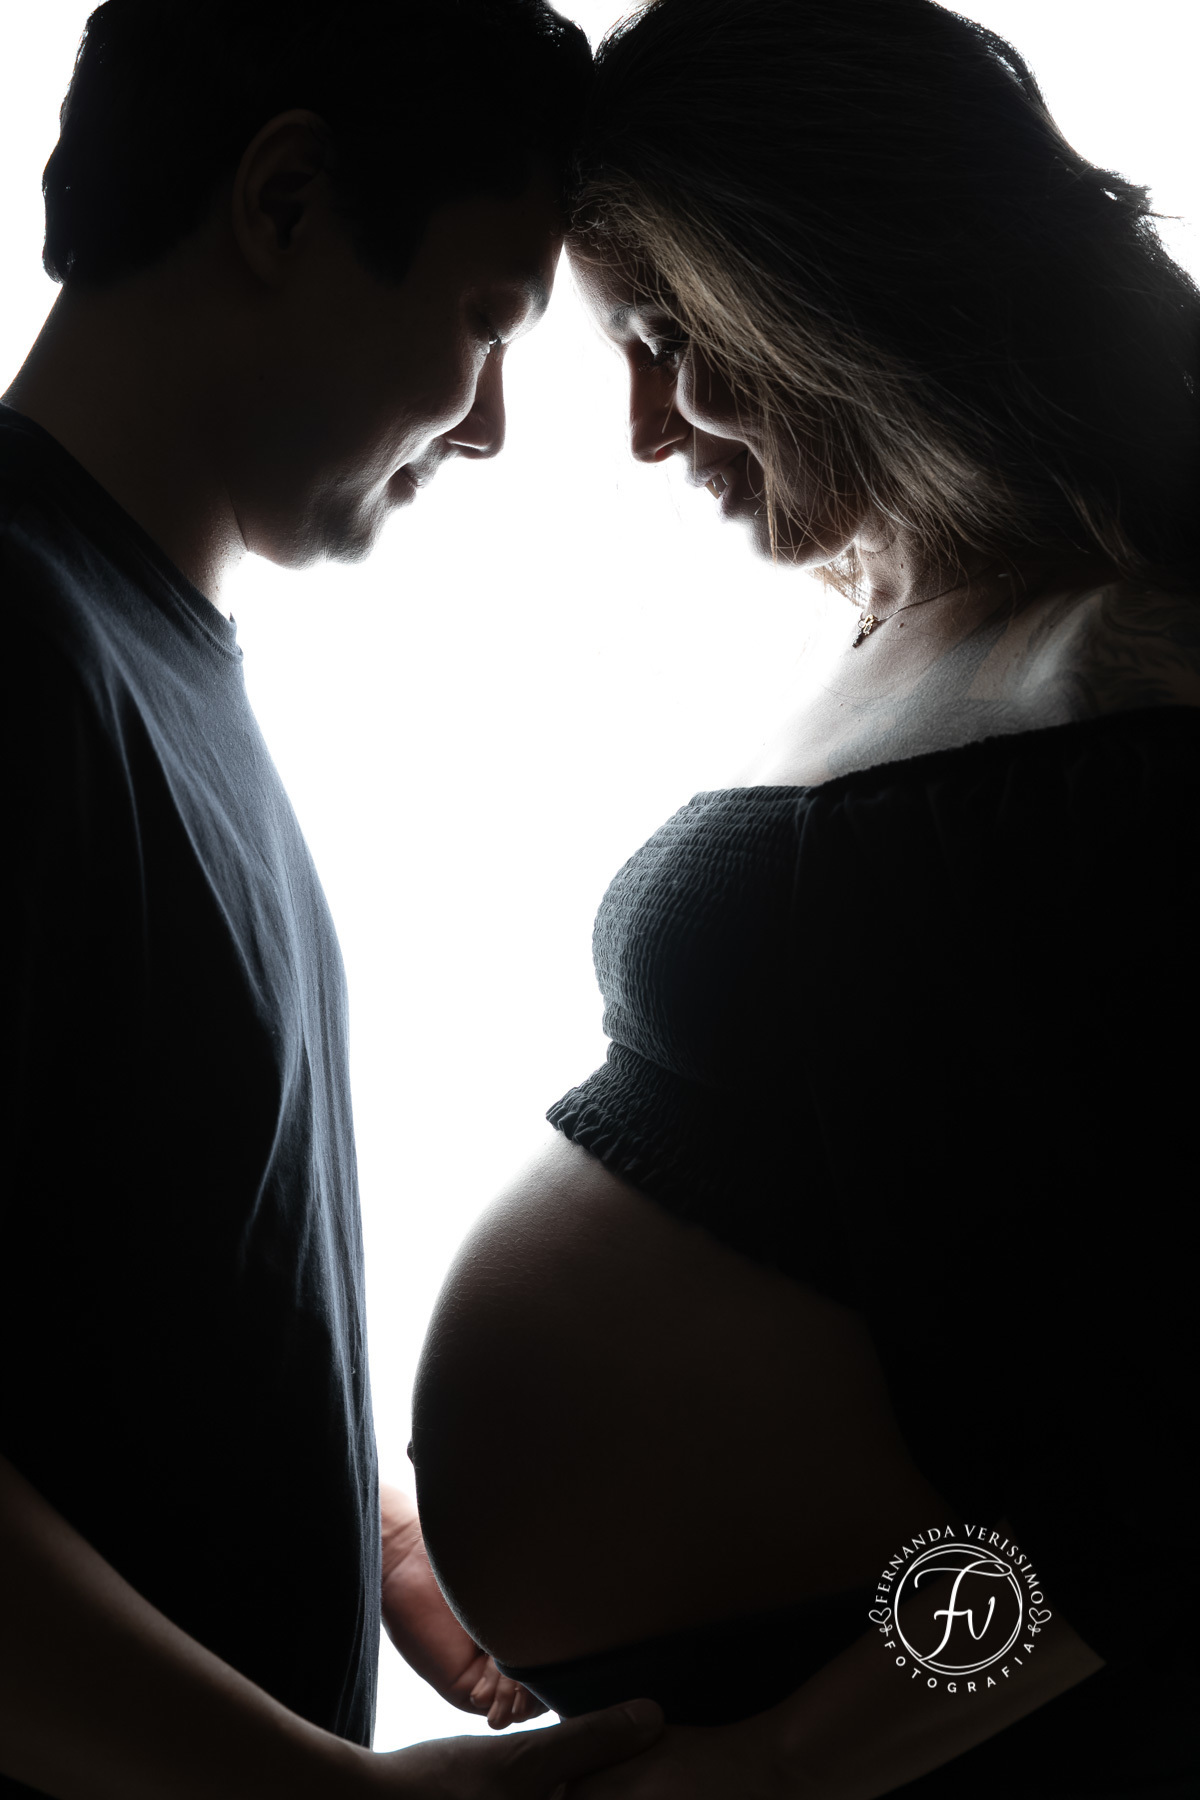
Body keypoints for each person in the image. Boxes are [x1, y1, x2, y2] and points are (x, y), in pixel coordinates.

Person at [410, 1, 1199, 1794]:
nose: (645, 428)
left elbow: (1148, 1489)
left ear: (831, 290)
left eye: (669, 340)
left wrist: (798, 1750)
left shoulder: (1131, 696)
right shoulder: (941, 624)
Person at [0, 1, 667, 1794]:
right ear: (286, 203)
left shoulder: (140, 654)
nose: (492, 424)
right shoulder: (20, 649)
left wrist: (340, 1507)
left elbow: (100, 1273)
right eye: (487, 322)